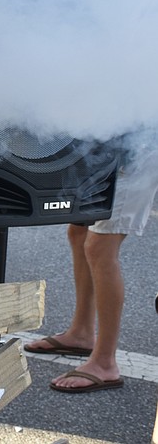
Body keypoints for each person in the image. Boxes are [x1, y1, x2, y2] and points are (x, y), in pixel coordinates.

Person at [24, 140, 158, 393]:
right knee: (78, 231)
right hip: (106, 145)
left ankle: (105, 363)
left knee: (100, 248)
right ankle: (81, 333)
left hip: (140, 149)